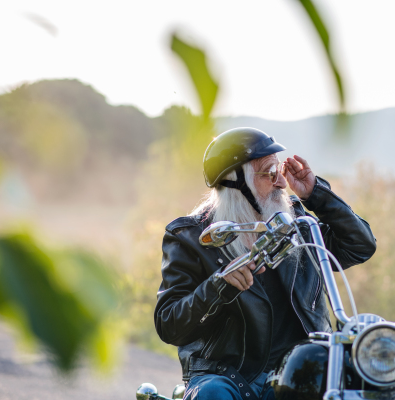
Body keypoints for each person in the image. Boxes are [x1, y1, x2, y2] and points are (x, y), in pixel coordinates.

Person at [154, 127, 376, 400]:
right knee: (212, 394)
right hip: (227, 374)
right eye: (269, 174)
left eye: (279, 171)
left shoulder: (295, 221)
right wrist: (218, 287)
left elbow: (361, 246)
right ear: (237, 181)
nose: (282, 183)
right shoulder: (189, 237)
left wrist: (315, 193)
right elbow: (169, 324)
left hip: (299, 368)